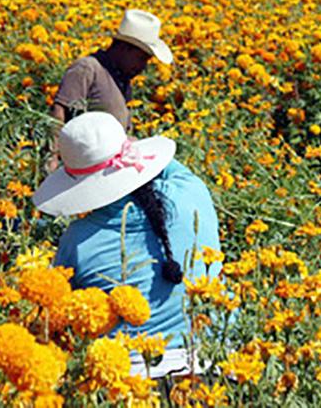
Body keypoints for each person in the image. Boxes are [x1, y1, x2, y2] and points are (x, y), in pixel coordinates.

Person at [32, 112, 221, 378]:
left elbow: (56, 317)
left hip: (130, 383)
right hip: (216, 369)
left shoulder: (77, 241)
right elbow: (168, 164)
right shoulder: (192, 192)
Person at [48, 9, 173, 171]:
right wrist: (52, 157)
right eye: (142, 58)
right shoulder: (88, 68)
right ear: (125, 48)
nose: (143, 67)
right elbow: (58, 113)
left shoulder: (122, 78)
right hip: (80, 167)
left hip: (106, 169)